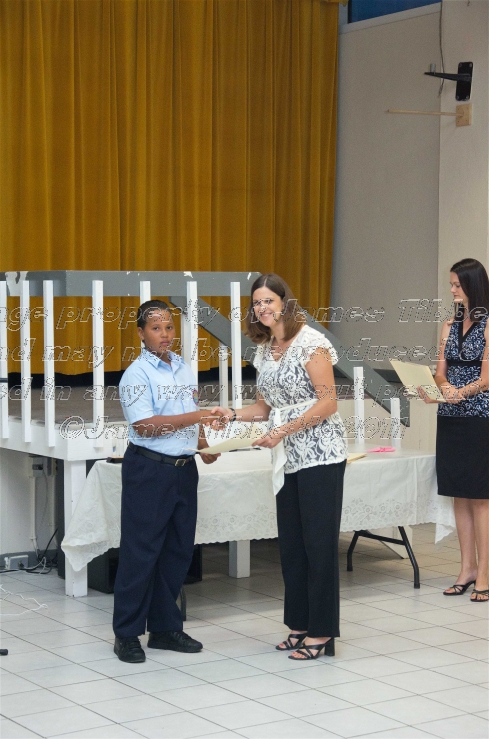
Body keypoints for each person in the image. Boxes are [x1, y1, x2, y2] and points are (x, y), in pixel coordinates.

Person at [212, 274, 347, 659]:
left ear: (285, 303)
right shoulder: (264, 350)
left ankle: (322, 632)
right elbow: (263, 408)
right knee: (291, 545)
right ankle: (299, 625)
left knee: (318, 544)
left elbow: (328, 402)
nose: (262, 308)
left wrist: (283, 430)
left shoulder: (311, 342)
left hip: (320, 453)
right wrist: (231, 414)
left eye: (268, 300)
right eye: (257, 302)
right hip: (286, 456)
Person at [113, 300, 220, 663]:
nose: (165, 334)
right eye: (156, 328)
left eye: (169, 327)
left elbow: (188, 416)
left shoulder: (183, 369)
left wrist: (203, 444)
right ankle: (126, 634)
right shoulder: (136, 375)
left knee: (177, 552)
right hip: (149, 469)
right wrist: (198, 416)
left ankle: (163, 628)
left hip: (183, 469)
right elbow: (145, 426)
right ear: (141, 333)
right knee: (140, 553)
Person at [419, 258, 489, 602]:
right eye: (451, 284)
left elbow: (487, 378)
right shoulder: (449, 325)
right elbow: (439, 371)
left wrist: (462, 392)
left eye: (457, 285)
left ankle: (485, 574)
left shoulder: (488, 325)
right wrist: (443, 387)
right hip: (449, 416)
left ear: (473, 285)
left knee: (480, 496)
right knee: (459, 494)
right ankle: (467, 568)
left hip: (479, 417)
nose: (452, 290)